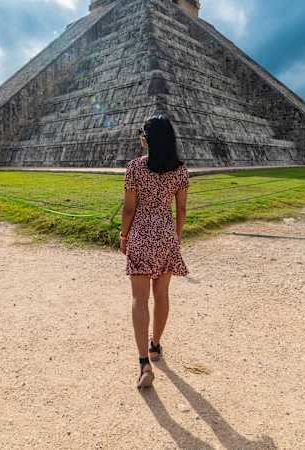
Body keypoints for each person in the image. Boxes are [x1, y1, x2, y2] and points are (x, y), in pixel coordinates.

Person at [120, 114, 190, 389]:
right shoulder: (180, 170)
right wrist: (176, 237)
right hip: (166, 235)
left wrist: (124, 235)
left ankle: (143, 363)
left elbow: (129, 209)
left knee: (140, 299)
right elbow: (181, 209)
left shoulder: (135, 168)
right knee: (162, 295)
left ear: (147, 139)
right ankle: (156, 345)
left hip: (140, 235)